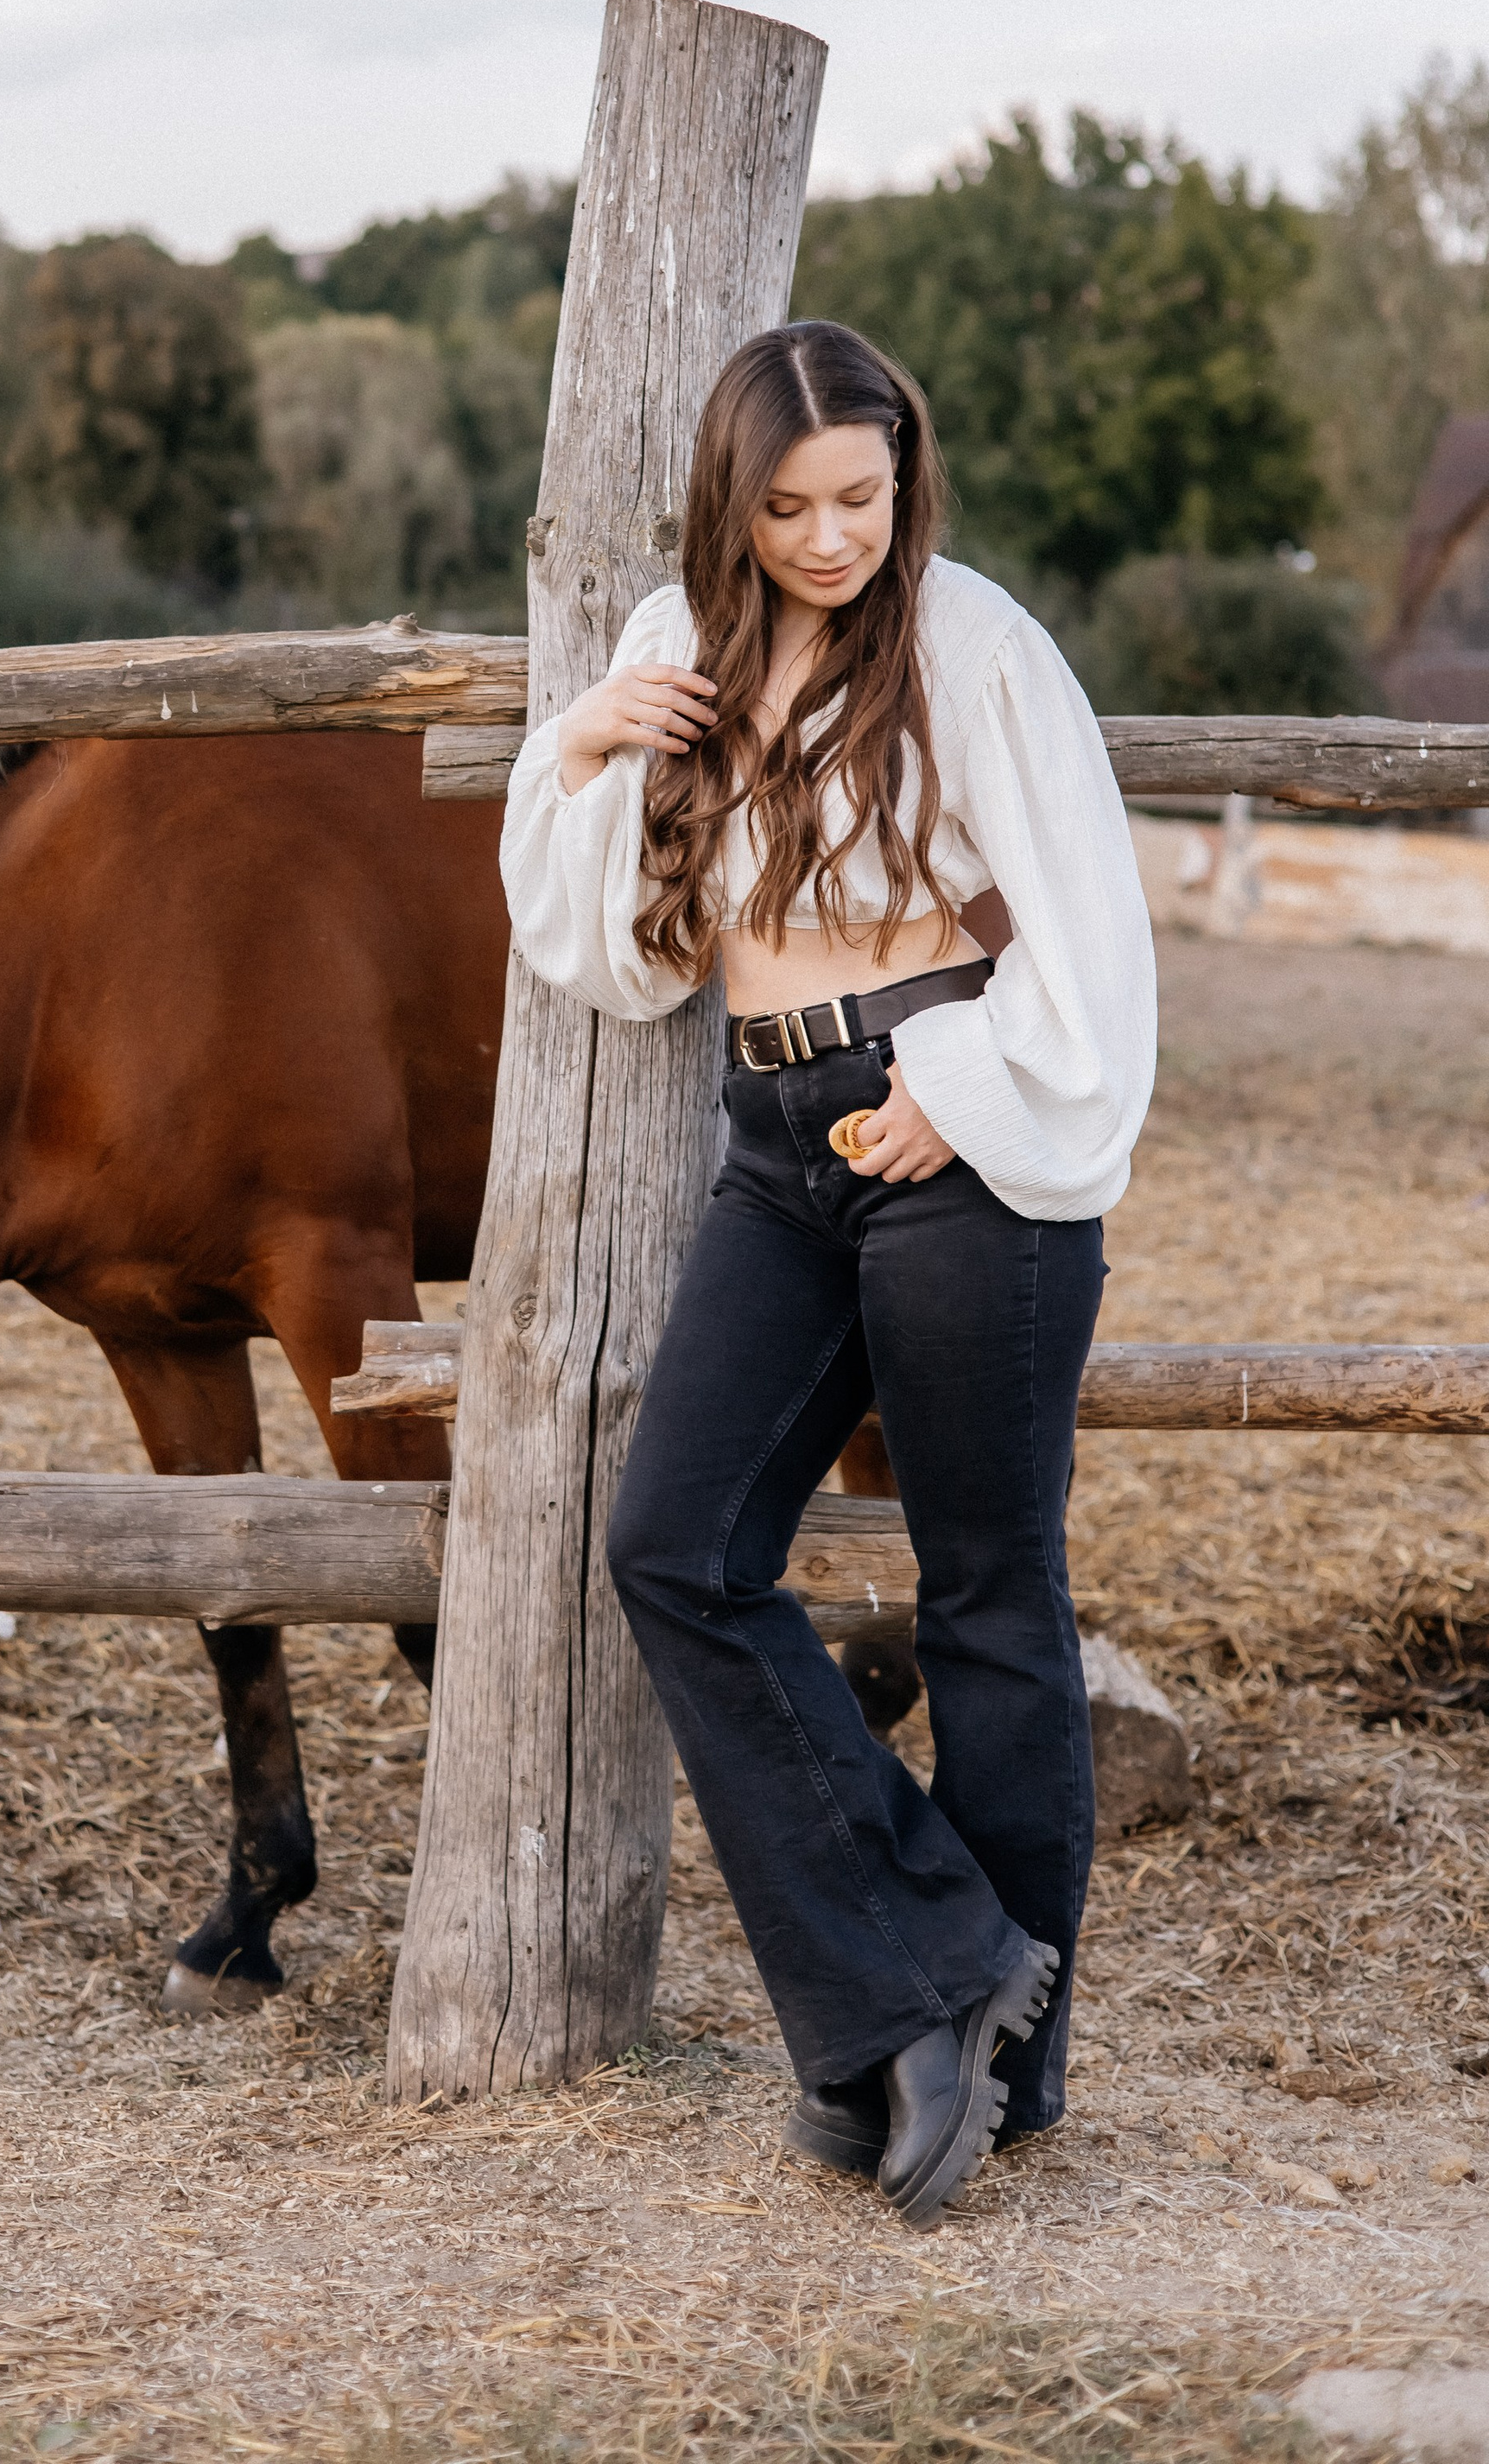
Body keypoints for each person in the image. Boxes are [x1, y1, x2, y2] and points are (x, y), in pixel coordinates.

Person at [501, 319, 1156, 2229]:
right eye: (784, 506)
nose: (826, 538)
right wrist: (579, 751)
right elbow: (614, 959)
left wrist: (964, 1092)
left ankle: (1003, 2065)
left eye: (857, 498)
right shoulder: (670, 645)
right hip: (775, 1142)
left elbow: (1084, 921)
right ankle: (921, 1967)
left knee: (984, 1594)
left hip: (955, 1120)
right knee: (673, 1547)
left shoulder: (971, 644)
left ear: (902, 474)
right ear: (731, 500)